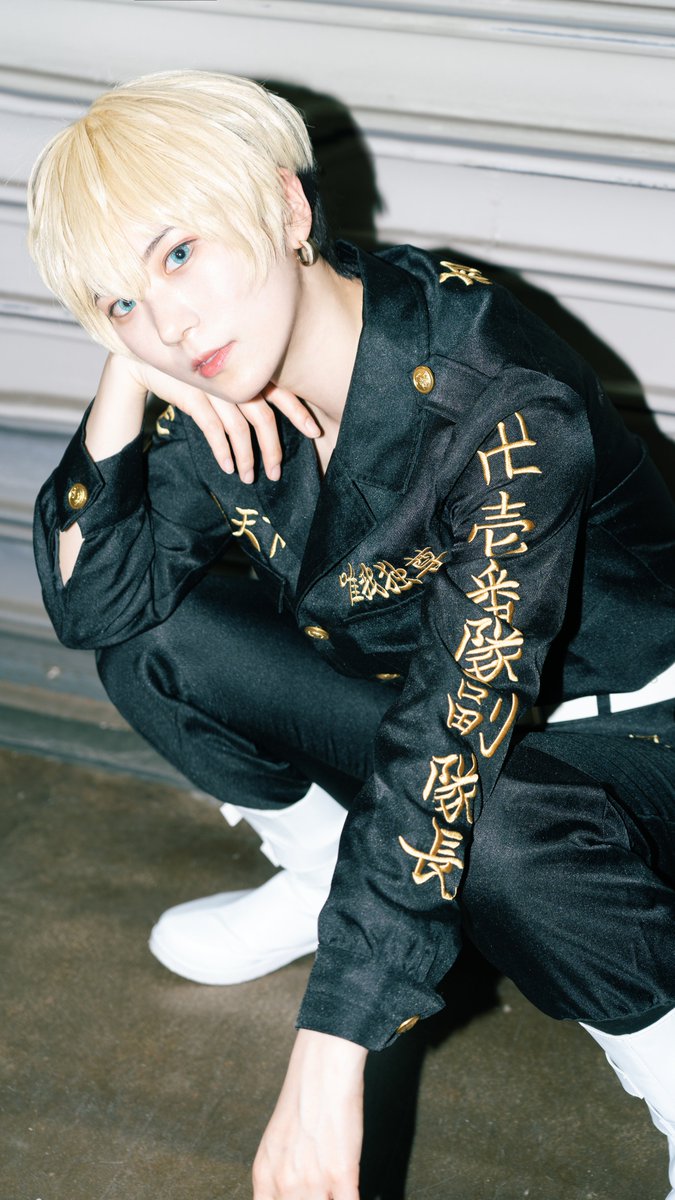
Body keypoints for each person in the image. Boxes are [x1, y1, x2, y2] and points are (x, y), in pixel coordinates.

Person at [27, 69, 675, 1199]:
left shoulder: (494, 394)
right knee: (158, 640)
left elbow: (453, 741)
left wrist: (332, 1054)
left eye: (178, 253)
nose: (169, 323)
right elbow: (99, 602)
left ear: (286, 208)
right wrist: (124, 377)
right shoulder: (219, 376)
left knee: (494, 828)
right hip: (442, 709)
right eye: (120, 300)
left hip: (635, 731)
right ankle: (323, 873)